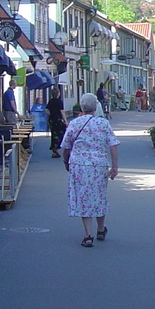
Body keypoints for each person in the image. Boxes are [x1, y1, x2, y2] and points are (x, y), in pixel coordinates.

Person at [60, 93, 120, 247]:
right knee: (99, 195)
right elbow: (112, 145)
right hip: (99, 165)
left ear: (82, 107)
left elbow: (66, 146)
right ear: (96, 107)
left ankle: (88, 235)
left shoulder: (74, 123)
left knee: (83, 197)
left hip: (79, 165)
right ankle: (100, 229)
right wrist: (114, 166)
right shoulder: (103, 124)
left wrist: (66, 161)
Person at [47, 86, 67, 158]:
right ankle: (56, 147)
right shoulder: (59, 101)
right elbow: (62, 111)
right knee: (61, 133)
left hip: (52, 120)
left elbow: (46, 110)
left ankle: (54, 149)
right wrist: (65, 121)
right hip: (58, 120)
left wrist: (50, 114)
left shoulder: (50, 101)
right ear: (58, 94)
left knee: (53, 133)